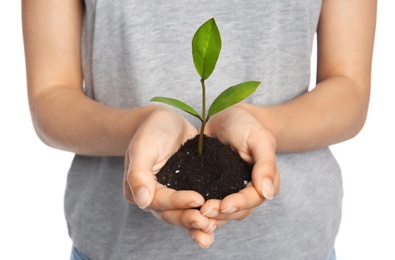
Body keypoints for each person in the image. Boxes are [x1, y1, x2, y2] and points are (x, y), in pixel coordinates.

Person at [22, 0, 376, 259]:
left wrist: (262, 127)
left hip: (295, 243)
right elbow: (50, 96)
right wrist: (139, 127)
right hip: (115, 245)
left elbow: (349, 88)